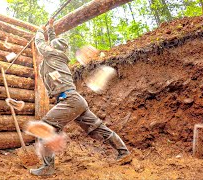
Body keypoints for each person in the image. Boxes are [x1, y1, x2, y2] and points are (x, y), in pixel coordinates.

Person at [30, 18, 132, 176]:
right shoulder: (56, 55)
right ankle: (123, 152)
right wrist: (50, 28)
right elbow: (52, 42)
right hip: (74, 100)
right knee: (97, 128)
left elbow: (40, 45)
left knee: (45, 126)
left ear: (52, 47)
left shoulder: (51, 54)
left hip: (69, 100)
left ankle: (48, 167)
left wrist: (38, 31)